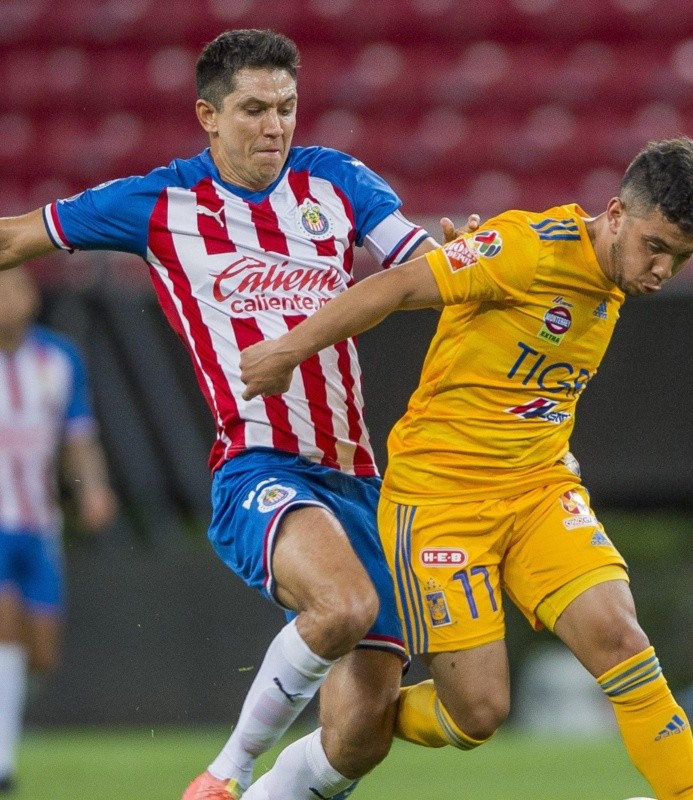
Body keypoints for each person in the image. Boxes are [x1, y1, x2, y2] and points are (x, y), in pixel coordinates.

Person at [0, 28, 479, 800]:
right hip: (257, 465)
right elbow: (19, 236)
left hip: (360, 479)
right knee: (344, 604)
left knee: (360, 738)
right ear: (208, 116)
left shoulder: (336, 182)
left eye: (287, 107)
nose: (275, 126)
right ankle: (225, 775)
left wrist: (462, 256)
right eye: (254, 109)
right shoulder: (159, 203)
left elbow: (414, 261)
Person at [239, 137, 693, 800]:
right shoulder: (528, 249)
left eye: (683, 258)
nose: (664, 270)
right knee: (479, 714)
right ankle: (353, 726)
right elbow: (398, 284)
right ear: (615, 214)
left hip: (539, 488)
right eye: (656, 248)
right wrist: (288, 349)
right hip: (440, 501)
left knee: (620, 637)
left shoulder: (613, 275)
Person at [0, 267, 117, 794]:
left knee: (40, 652)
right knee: (3, 631)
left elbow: (79, 435)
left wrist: (92, 488)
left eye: (17, 285)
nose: (10, 296)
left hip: (39, 525)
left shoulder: (59, 358)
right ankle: (3, 764)